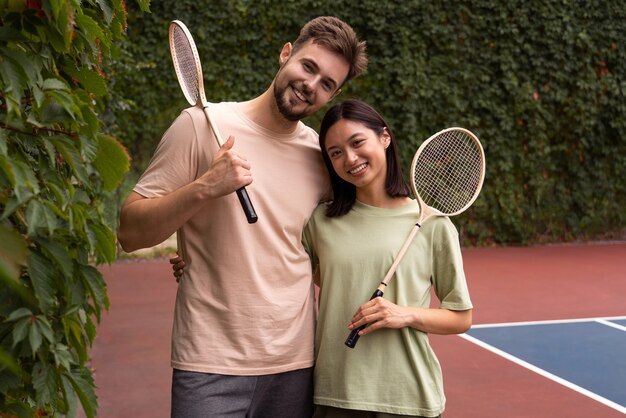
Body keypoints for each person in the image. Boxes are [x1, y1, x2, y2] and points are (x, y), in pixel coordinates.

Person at [118, 17, 368, 418]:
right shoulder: (199, 126)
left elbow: (325, 257)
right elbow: (129, 232)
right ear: (286, 53)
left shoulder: (321, 159)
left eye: (327, 85)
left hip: (295, 364)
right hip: (209, 363)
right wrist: (205, 187)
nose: (312, 85)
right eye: (308, 66)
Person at [173, 99, 474, 417]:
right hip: (335, 394)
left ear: (384, 137)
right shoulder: (320, 222)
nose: (351, 158)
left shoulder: (433, 225)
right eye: (336, 153)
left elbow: (460, 316)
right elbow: (276, 261)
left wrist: (405, 315)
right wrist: (199, 260)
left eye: (357, 142)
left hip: (406, 396)